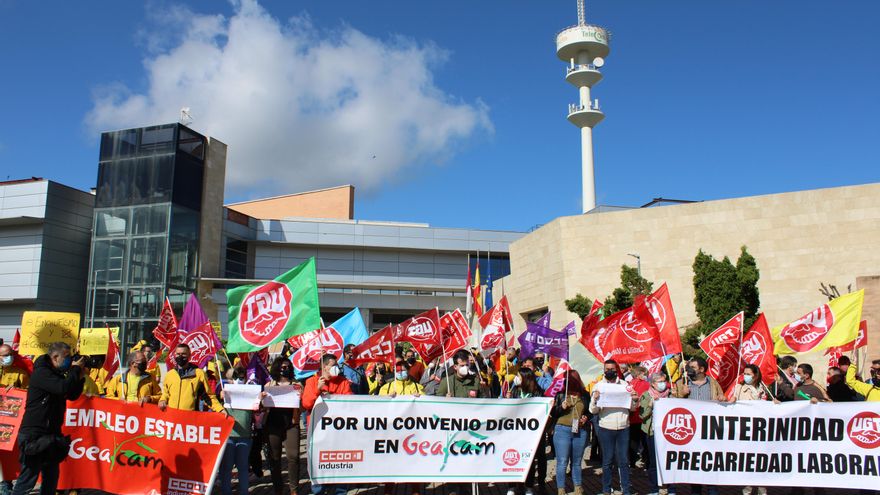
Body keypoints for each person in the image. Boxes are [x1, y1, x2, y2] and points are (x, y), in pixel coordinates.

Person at [12, 342, 85, 495]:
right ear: (55, 356)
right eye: (66, 357)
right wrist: (75, 369)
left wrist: (80, 377)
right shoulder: (41, 373)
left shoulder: (57, 374)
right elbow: (62, 388)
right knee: (27, 480)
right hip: (34, 433)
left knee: (51, 479)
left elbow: (71, 394)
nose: (69, 360)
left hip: (52, 433)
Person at [301, 354, 352, 495]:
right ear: (324, 367)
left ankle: (340, 491)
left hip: (338, 431)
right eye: (333, 365)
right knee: (318, 463)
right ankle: (318, 490)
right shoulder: (311, 381)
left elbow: (349, 402)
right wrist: (318, 389)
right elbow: (306, 404)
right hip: (318, 431)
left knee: (340, 463)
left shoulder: (343, 382)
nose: (336, 367)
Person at [673, 357, 722, 495]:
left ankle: (712, 490)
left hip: (710, 431)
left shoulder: (713, 383)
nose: (689, 369)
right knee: (694, 464)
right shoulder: (681, 383)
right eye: (688, 366)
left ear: (701, 369)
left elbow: (721, 398)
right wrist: (680, 394)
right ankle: (696, 491)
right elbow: (671, 406)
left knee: (711, 462)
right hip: (691, 432)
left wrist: (722, 399)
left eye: (693, 367)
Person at [589, 360, 635, 495]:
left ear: (617, 370)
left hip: (623, 427)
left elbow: (632, 408)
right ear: (604, 370)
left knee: (623, 461)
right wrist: (595, 399)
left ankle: (626, 489)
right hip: (606, 427)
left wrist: (635, 400)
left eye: (612, 369)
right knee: (607, 460)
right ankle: (606, 489)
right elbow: (593, 410)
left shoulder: (625, 385)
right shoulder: (599, 385)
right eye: (607, 369)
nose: (609, 371)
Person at [379, 362, 424, 495]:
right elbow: (376, 406)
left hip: (412, 432)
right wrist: (385, 399)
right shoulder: (387, 388)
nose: (400, 373)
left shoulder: (418, 387)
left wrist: (421, 398)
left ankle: (415, 490)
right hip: (392, 432)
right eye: (397, 371)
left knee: (413, 462)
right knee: (391, 463)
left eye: (403, 370)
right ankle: (388, 490)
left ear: (409, 371)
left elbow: (426, 406)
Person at [264, 357, 302, 495]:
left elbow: (302, 406)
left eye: (287, 367)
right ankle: (278, 489)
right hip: (273, 425)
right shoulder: (270, 385)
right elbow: (263, 407)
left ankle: (294, 489)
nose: (284, 369)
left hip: (291, 424)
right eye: (282, 367)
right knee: (275, 458)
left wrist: (300, 397)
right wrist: (262, 399)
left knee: (294, 457)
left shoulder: (297, 385)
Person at [506, 367, 545, 495]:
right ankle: (512, 485)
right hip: (515, 431)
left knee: (528, 460)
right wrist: (508, 400)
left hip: (530, 433)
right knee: (513, 457)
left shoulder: (538, 392)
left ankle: (528, 486)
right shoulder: (515, 390)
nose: (516, 378)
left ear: (526, 378)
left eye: (519, 376)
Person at [550, 369, 589, 495]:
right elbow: (553, 413)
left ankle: (578, 487)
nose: (570, 382)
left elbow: (590, 411)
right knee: (562, 462)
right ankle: (561, 489)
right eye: (568, 380)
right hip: (562, 430)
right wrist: (561, 407)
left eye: (573, 379)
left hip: (580, 430)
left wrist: (586, 417)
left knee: (577, 462)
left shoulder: (584, 395)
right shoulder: (561, 394)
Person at [219, 366, 256, 495]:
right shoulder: (224, 391)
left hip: (244, 435)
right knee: (226, 467)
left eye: (241, 377)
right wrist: (221, 397)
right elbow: (215, 406)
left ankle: (244, 492)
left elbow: (259, 409)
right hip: (228, 435)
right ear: (229, 380)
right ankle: (226, 491)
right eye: (235, 377)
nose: (238, 380)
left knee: (243, 467)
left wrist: (260, 399)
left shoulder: (251, 391)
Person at [158, 343, 225, 412]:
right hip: (173, 417)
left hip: (190, 418)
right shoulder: (170, 374)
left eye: (183, 354)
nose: (180, 356)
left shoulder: (199, 374)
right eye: (178, 354)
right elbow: (166, 394)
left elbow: (208, 397)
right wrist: (162, 400)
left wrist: (220, 410)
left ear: (189, 355)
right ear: (175, 355)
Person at [639, 372, 676, 495]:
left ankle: (671, 489)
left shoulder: (670, 395)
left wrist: (676, 399)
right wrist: (650, 405)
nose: (662, 384)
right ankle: (655, 488)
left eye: (664, 381)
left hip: (669, 433)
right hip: (652, 432)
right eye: (659, 381)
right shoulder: (646, 395)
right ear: (653, 384)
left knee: (670, 462)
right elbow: (642, 415)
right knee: (653, 461)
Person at [626, 365, 649, 468]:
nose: (646, 376)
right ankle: (646, 461)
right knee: (645, 441)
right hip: (643, 417)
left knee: (633, 441)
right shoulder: (646, 384)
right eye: (645, 374)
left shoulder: (629, 385)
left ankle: (632, 461)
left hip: (631, 417)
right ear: (639, 374)